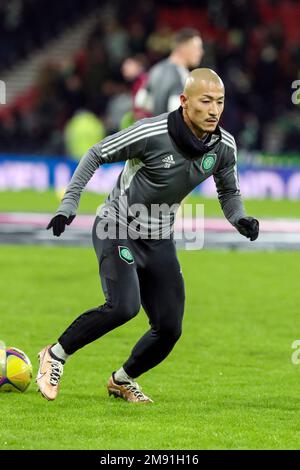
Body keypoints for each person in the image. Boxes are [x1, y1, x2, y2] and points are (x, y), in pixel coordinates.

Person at [36, 68, 259, 403]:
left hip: (158, 238)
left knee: (170, 328)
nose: (214, 110)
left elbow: (229, 193)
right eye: (206, 101)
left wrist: (240, 218)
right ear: (185, 102)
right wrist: (69, 203)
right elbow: (96, 153)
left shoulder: (224, 145)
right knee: (123, 306)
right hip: (116, 227)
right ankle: (55, 355)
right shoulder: (152, 132)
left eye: (220, 102)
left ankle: (122, 380)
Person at [135, 27, 204, 116]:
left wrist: (159, 110)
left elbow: (140, 101)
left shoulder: (156, 69)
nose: (201, 52)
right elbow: (176, 110)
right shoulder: (180, 74)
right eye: (197, 48)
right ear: (183, 48)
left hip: (158, 127)